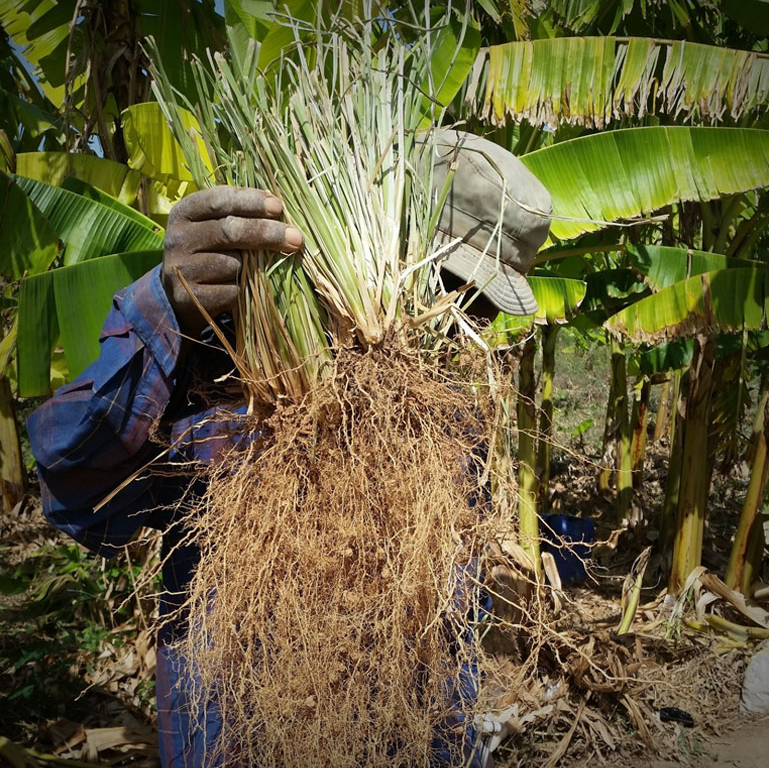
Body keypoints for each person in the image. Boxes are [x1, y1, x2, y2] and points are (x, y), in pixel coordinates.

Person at [27, 131, 550, 767]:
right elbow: (72, 487)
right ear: (378, 241)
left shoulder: (450, 422)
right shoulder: (220, 383)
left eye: (480, 305)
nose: (460, 318)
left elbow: (450, 631)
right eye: (446, 282)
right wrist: (167, 309)